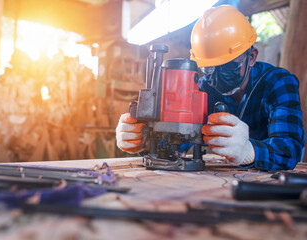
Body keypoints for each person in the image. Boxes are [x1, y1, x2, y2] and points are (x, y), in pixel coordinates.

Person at [116, 5, 305, 171]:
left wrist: (250, 151)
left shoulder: (278, 83)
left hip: (271, 181)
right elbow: (179, 139)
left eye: (228, 66)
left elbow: (289, 150)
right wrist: (143, 140)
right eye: (208, 68)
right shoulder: (204, 89)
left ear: (252, 57)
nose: (217, 76)